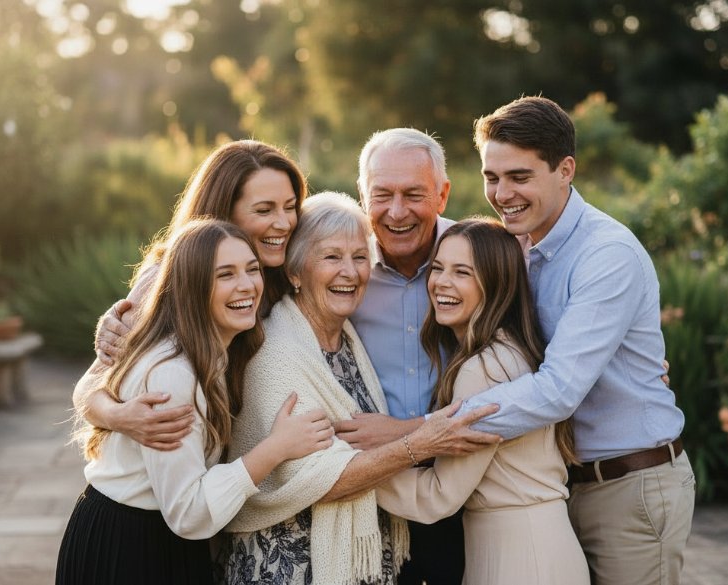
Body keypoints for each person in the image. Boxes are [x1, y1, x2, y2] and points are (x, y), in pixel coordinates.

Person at [460, 96, 695, 585]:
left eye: (519, 177)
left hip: (630, 487)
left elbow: (559, 390)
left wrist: (427, 430)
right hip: (563, 486)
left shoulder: (605, 254)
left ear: (565, 169)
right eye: (491, 177)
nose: (502, 194)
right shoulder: (515, 244)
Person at [220, 193, 499, 585]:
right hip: (291, 569)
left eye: (359, 256)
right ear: (296, 273)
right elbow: (324, 479)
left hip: (359, 566)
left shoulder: (347, 340)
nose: (350, 272)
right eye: (332, 257)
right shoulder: (277, 355)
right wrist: (421, 442)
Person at [56, 219, 334, 585]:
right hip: (129, 547)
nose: (246, 285)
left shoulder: (212, 354)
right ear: (192, 288)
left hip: (157, 540)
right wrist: (275, 448)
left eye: (252, 269)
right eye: (225, 275)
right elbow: (188, 512)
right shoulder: (174, 376)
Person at [375, 218, 589, 585]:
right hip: (524, 544)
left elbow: (438, 496)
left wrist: (353, 471)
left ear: (495, 285)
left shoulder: (484, 368)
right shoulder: (509, 350)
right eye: (438, 268)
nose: (441, 282)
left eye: (462, 272)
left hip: (521, 555)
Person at [77, 139, 308, 451]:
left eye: (290, 207)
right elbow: (89, 388)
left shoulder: (286, 272)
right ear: (224, 214)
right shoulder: (168, 276)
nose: (283, 223)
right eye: (264, 210)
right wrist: (122, 417)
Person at [339, 128, 475, 585]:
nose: (396, 212)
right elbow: (234, 245)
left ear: (442, 194)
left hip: (467, 489)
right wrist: (144, 290)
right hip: (372, 491)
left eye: (414, 194)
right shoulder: (338, 263)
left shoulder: (481, 257)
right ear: (362, 194)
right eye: (382, 195)